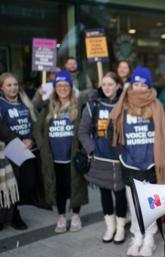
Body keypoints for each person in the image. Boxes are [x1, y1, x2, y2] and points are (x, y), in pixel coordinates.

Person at [109, 66, 165, 257]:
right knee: (133, 203)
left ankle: (149, 238)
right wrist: (120, 152)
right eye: (136, 83)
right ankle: (137, 236)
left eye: (144, 84)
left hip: (150, 161)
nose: (140, 88)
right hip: (130, 161)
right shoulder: (123, 104)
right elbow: (112, 131)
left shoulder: (156, 105)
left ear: (148, 86)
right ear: (131, 84)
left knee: (149, 203)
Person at [35, 71, 88, 233]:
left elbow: (86, 128)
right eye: (59, 86)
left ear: (71, 88)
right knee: (59, 188)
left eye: (66, 85)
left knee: (76, 186)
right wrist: (42, 145)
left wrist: (83, 149)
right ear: (55, 88)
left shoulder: (79, 106)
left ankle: (76, 215)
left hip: (73, 156)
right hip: (54, 158)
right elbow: (37, 128)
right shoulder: (48, 107)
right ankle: (62, 216)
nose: (63, 88)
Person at [77, 72, 126, 244]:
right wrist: (92, 150)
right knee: (105, 194)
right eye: (104, 84)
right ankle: (110, 227)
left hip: (119, 160)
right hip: (100, 158)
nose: (107, 88)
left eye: (111, 84)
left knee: (120, 195)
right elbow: (82, 132)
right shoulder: (92, 105)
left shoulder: (125, 104)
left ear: (119, 86)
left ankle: (120, 228)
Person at [0, 73, 41, 230]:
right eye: (9, 85)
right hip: (8, 149)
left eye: (15, 84)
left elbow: (33, 123)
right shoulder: (1, 104)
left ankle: (12, 211)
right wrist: (16, 139)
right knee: (9, 185)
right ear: (2, 88)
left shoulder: (25, 102)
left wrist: (31, 138)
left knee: (28, 182)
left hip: (26, 149)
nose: (13, 88)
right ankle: (12, 215)